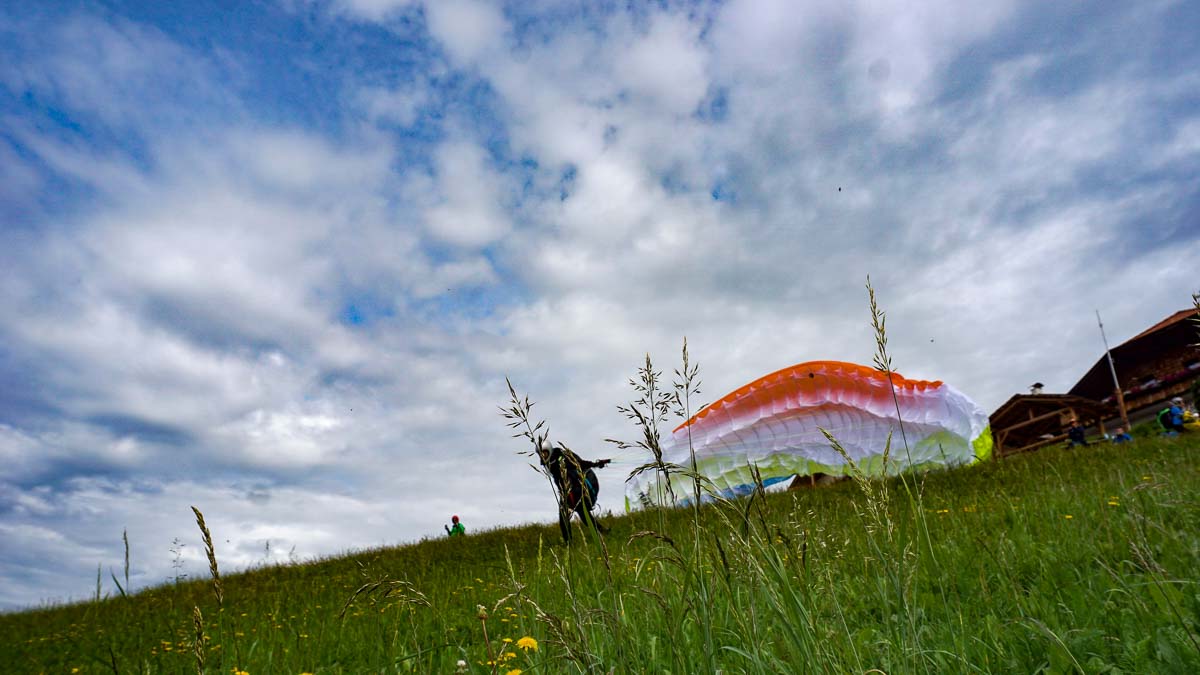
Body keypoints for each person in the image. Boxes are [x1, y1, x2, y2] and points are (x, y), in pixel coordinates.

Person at [536, 437, 611, 543]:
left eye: (544, 453)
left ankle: (601, 533)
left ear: (549, 450)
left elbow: (580, 463)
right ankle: (568, 543)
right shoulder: (547, 464)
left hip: (577, 490)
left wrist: (596, 464)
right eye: (540, 454)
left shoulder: (563, 456)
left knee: (583, 514)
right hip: (566, 492)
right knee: (564, 518)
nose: (543, 456)